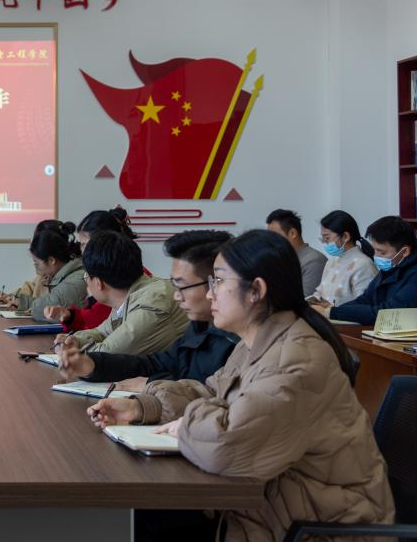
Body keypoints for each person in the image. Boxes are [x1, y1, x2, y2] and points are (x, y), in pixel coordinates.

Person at [87, 230, 394, 542]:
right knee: (140, 518)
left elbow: (224, 447)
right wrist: (143, 407)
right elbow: (210, 392)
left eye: (218, 282)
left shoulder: (297, 358)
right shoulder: (255, 343)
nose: (210, 294)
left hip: (316, 529)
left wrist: (187, 423)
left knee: (141, 522)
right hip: (270, 509)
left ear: (256, 291)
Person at [59, 230, 237, 393]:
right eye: (174, 284)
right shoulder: (200, 326)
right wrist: (92, 365)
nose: (176, 296)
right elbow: (159, 363)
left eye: (182, 286)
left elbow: (210, 393)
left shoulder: (235, 341)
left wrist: (151, 384)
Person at [62, 231, 185, 355]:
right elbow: (102, 332)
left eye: (86, 276)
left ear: (99, 283)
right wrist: (75, 340)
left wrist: (70, 350)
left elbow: (107, 354)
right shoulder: (129, 297)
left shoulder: (151, 303)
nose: (86, 282)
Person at [328, 215, 417, 325]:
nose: (376, 256)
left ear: (405, 251)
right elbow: (365, 299)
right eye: (375, 250)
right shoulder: (393, 266)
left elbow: (388, 314)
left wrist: (333, 313)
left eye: (382, 252)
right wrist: (335, 311)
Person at [4, 229, 87, 323]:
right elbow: (50, 301)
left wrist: (29, 305)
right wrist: (24, 303)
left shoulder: (75, 281)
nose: (38, 269)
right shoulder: (63, 275)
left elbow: (44, 309)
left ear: (51, 260)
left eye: (38, 264)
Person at [307, 210, 377, 310]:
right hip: (327, 317)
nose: (324, 242)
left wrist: (333, 310)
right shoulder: (332, 262)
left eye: (327, 238)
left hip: (346, 320)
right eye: (322, 238)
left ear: (345, 236)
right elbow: (320, 294)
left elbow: (364, 306)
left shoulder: (363, 264)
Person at [0, 219, 71, 305]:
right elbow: (31, 287)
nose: (33, 242)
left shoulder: (69, 278)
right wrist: (9, 297)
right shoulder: (46, 273)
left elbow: (50, 304)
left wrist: (22, 303)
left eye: (37, 239)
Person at [266, 208, 326, 297]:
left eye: (275, 236)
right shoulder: (280, 260)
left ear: (293, 233)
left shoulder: (314, 260)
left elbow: (306, 299)